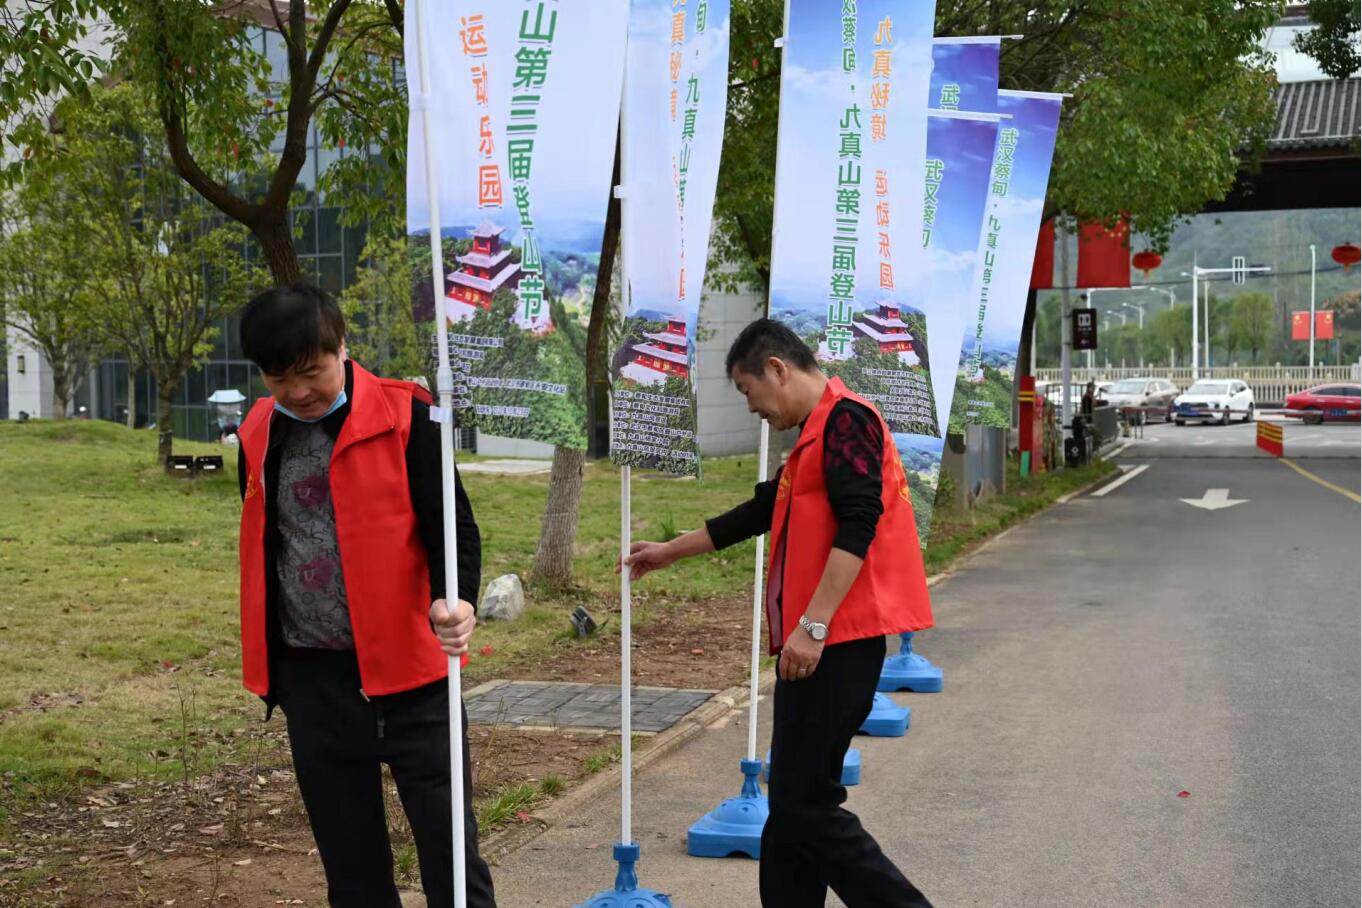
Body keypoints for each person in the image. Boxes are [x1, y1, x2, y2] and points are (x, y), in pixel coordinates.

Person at [624, 319, 935, 908]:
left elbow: (859, 525)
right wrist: (669, 551)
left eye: (748, 392)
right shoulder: (818, 434)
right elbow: (762, 510)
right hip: (816, 647)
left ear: (776, 369)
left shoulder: (848, 421)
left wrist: (813, 628)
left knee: (805, 806)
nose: (753, 409)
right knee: (792, 805)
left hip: (837, 644)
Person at [234, 284, 496, 908]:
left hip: (412, 681)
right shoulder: (259, 432)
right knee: (352, 875)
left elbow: (452, 526)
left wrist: (452, 598)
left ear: (341, 347)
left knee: (452, 860)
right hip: (315, 683)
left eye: (310, 371)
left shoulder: (411, 414)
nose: (296, 391)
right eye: (277, 376)